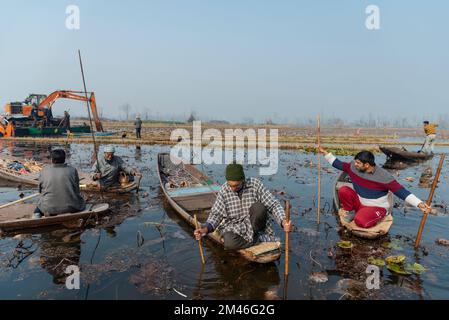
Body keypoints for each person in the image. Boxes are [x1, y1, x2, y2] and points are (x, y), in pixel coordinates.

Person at [318, 146, 431, 228]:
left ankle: (375, 215)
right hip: (360, 202)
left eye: (358, 163)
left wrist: (419, 203)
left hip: (377, 207)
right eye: (355, 162)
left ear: (366, 165)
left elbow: (401, 191)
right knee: (343, 190)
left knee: (360, 221)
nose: (354, 164)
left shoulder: (384, 176)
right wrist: (325, 153)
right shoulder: (353, 167)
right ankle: (351, 212)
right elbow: (338, 164)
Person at [194, 164, 292, 250]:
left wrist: (283, 221)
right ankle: (259, 239)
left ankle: (258, 235)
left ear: (243, 180)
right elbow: (217, 214)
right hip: (237, 228)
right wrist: (205, 229)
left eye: (236, 185)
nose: (232, 189)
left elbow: (273, 205)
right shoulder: (224, 190)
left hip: (255, 225)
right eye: (230, 185)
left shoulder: (255, 185)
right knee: (228, 242)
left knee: (259, 207)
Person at [33, 149, 86, 219]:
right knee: (82, 200)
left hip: (49, 208)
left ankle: (36, 216)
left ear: (52, 160)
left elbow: (40, 191)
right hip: (72, 207)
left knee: (38, 208)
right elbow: (77, 190)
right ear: (64, 159)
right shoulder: (72, 170)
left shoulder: (44, 170)